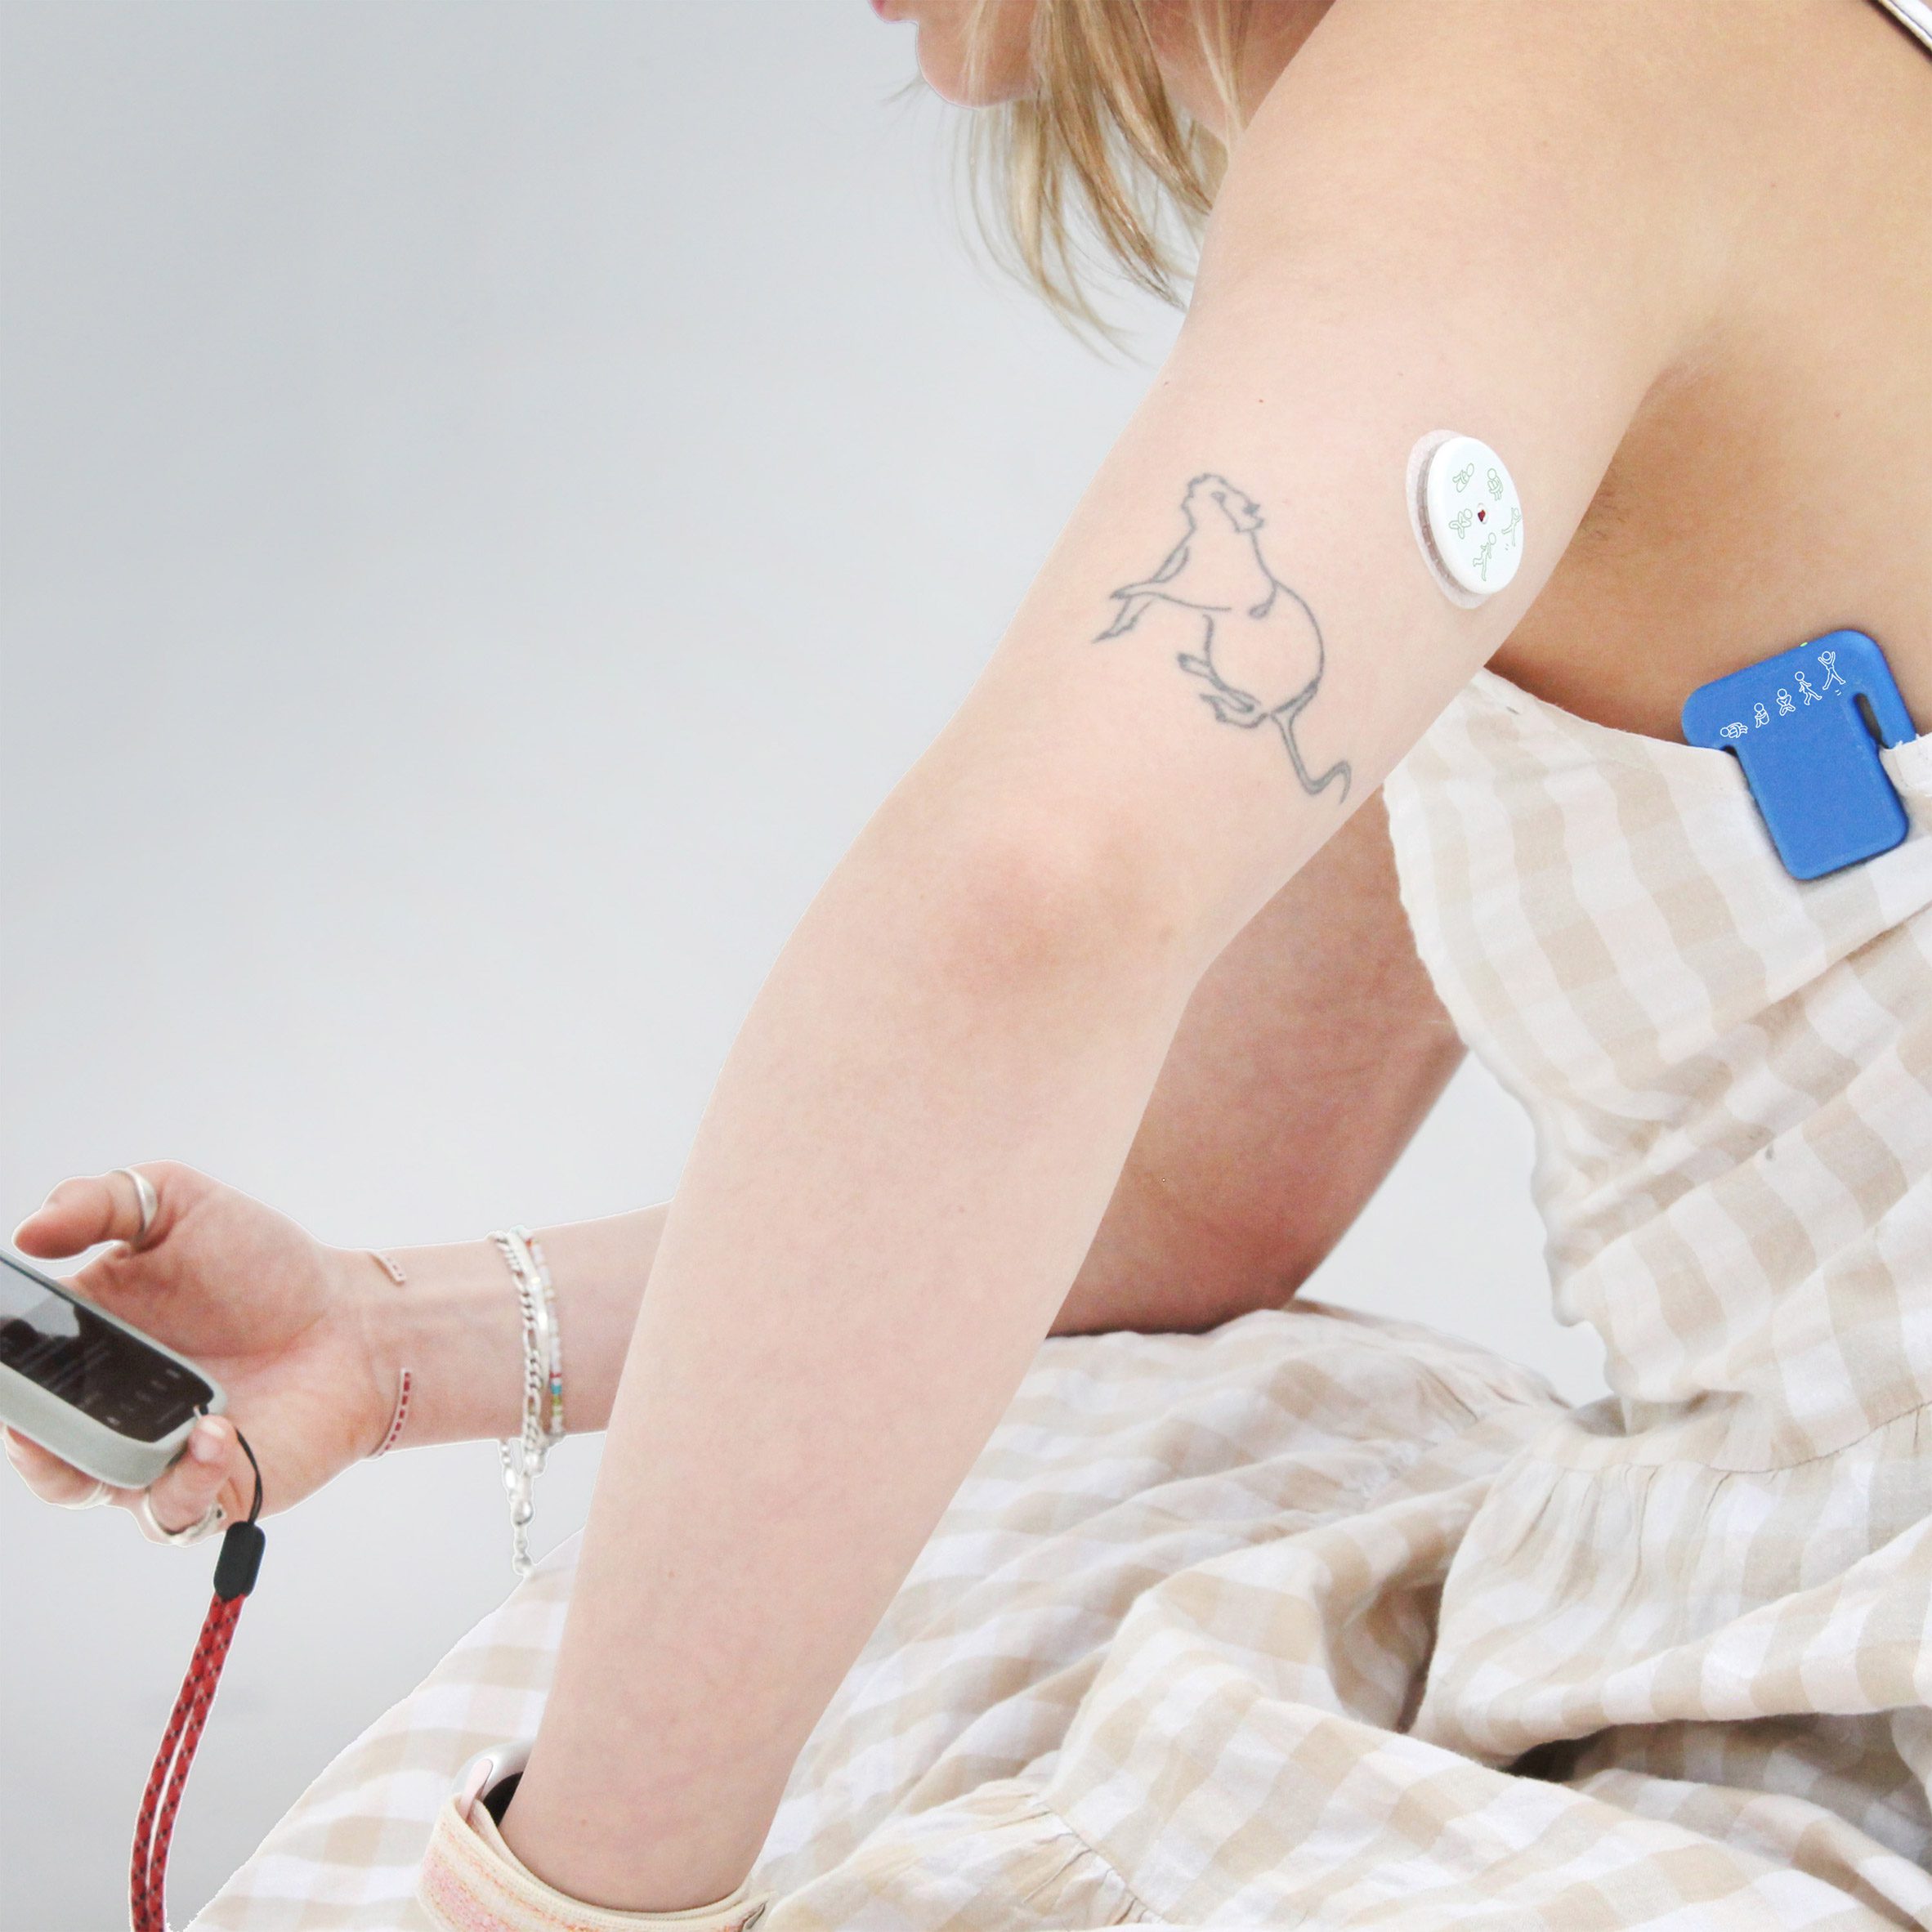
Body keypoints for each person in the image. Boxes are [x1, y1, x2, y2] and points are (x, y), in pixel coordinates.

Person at [10, 0, 1932, 1925]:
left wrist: (561, 1895)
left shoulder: (1517, 76)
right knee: (1063, 1478)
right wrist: (392, 1337)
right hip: (1781, 1593)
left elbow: (1029, 907)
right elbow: (1182, 1187)